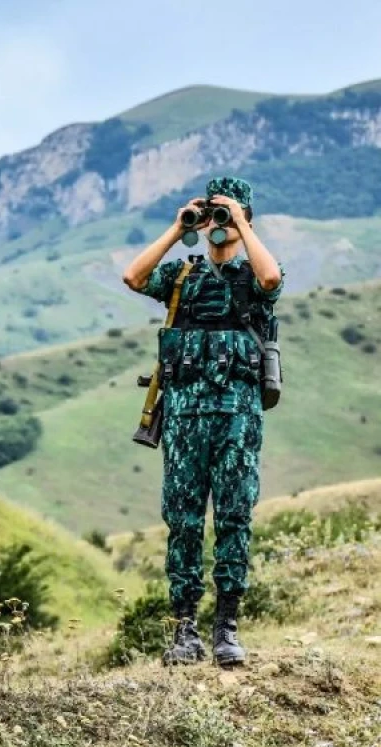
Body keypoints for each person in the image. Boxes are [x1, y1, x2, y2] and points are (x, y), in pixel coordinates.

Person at [122, 176, 283, 668]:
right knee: (184, 523)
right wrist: (177, 228)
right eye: (212, 216)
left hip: (236, 420)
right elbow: (132, 276)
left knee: (234, 518)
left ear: (243, 220)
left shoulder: (252, 278)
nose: (217, 225)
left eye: (226, 217)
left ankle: (226, 628)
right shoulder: (182, 278)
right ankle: (184, 629)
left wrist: (240, 222)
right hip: (185, 421)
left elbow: (272, 279)